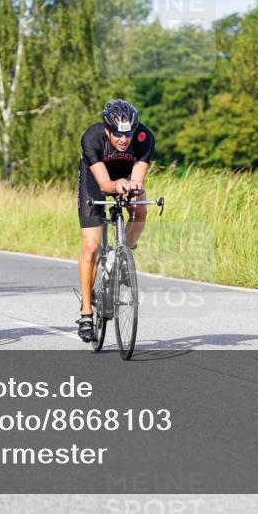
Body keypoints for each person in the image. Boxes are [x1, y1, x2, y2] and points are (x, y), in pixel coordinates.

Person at [75, 99, 155, 341]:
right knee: (91, 246)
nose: (124, 139)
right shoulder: (92, 138)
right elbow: (103, 184)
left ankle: (123, 256)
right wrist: (117, 185)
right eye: (118, 134)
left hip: (126, 177)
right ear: (107, 130)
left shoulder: (145, 138)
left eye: (128, 134)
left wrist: (132, 187)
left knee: (140, 209)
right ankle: (87, 312)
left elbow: (138, 179)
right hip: (96, 183)